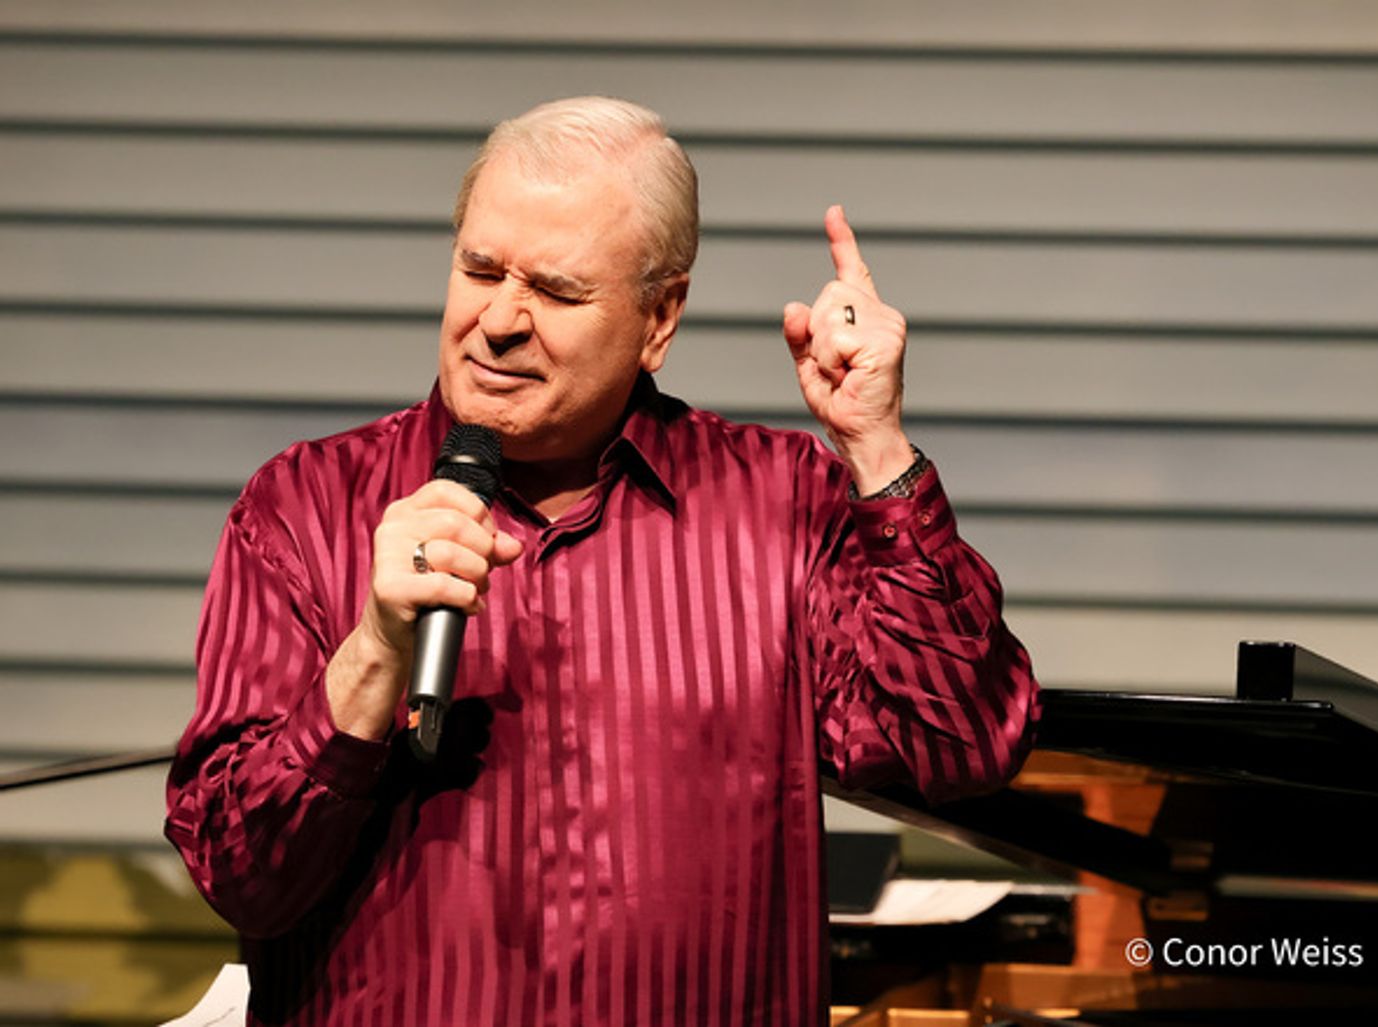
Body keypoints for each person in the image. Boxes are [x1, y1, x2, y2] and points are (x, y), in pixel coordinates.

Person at [165, 96, 1039, 1026]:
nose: (499, 319)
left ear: (659, 318)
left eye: (556, 291)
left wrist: (875, 448)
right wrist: (374, 653)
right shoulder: (303, 509)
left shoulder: (783, 505)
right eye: (480, 269)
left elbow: (961, 742)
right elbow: (236, 872)